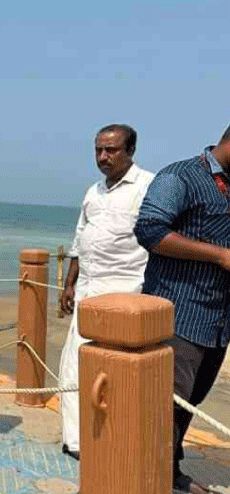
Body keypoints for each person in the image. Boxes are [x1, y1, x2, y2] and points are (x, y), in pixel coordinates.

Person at [134, 123, 230, 494]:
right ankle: (147, 479)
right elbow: (150, 231)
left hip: (218, 321)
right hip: (178, 314)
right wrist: (219, 255)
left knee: (189, 404)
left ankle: (169, 473)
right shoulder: (180, 176)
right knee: (163, 407)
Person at [58, 124, 153, 460]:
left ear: (130, 151)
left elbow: (157, 240)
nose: (102, 157)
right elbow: (79, 239)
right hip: (87, 291)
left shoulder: (148, 187)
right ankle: (76, 442)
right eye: (98, 150)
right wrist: (69, 283)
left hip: (125, 293)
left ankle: (112, 441)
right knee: (72, 366)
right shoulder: (93, 191)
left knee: (112, 374)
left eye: (111, 150)